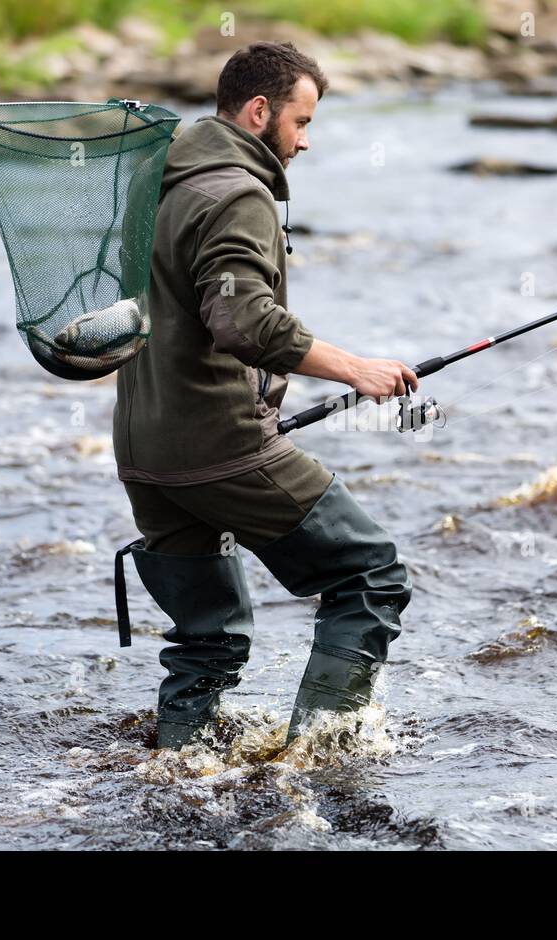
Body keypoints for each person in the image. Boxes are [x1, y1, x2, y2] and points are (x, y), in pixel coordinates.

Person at [112, 41, 417, 749]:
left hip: (143, 448)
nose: (304, 141)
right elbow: (241, 318)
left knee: (207, 640)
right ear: (259, 112)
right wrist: (355, 369)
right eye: (301, 122)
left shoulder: (153, 177)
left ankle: (176, 766)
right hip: (219, 444)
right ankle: (319, 758)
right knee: (370, 574)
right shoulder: (240, 194)